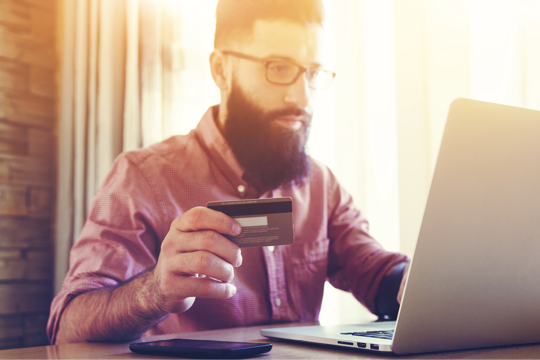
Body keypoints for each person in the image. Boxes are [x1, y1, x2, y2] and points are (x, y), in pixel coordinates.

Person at [47, 0, 410, 345]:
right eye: (279, 68)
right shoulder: (142, 178)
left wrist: (418, 283)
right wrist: (155, 290)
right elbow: (68, 327)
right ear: (221, 70)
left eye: (312, 72)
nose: (302, 99)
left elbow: (375, 272)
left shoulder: (321, 184)